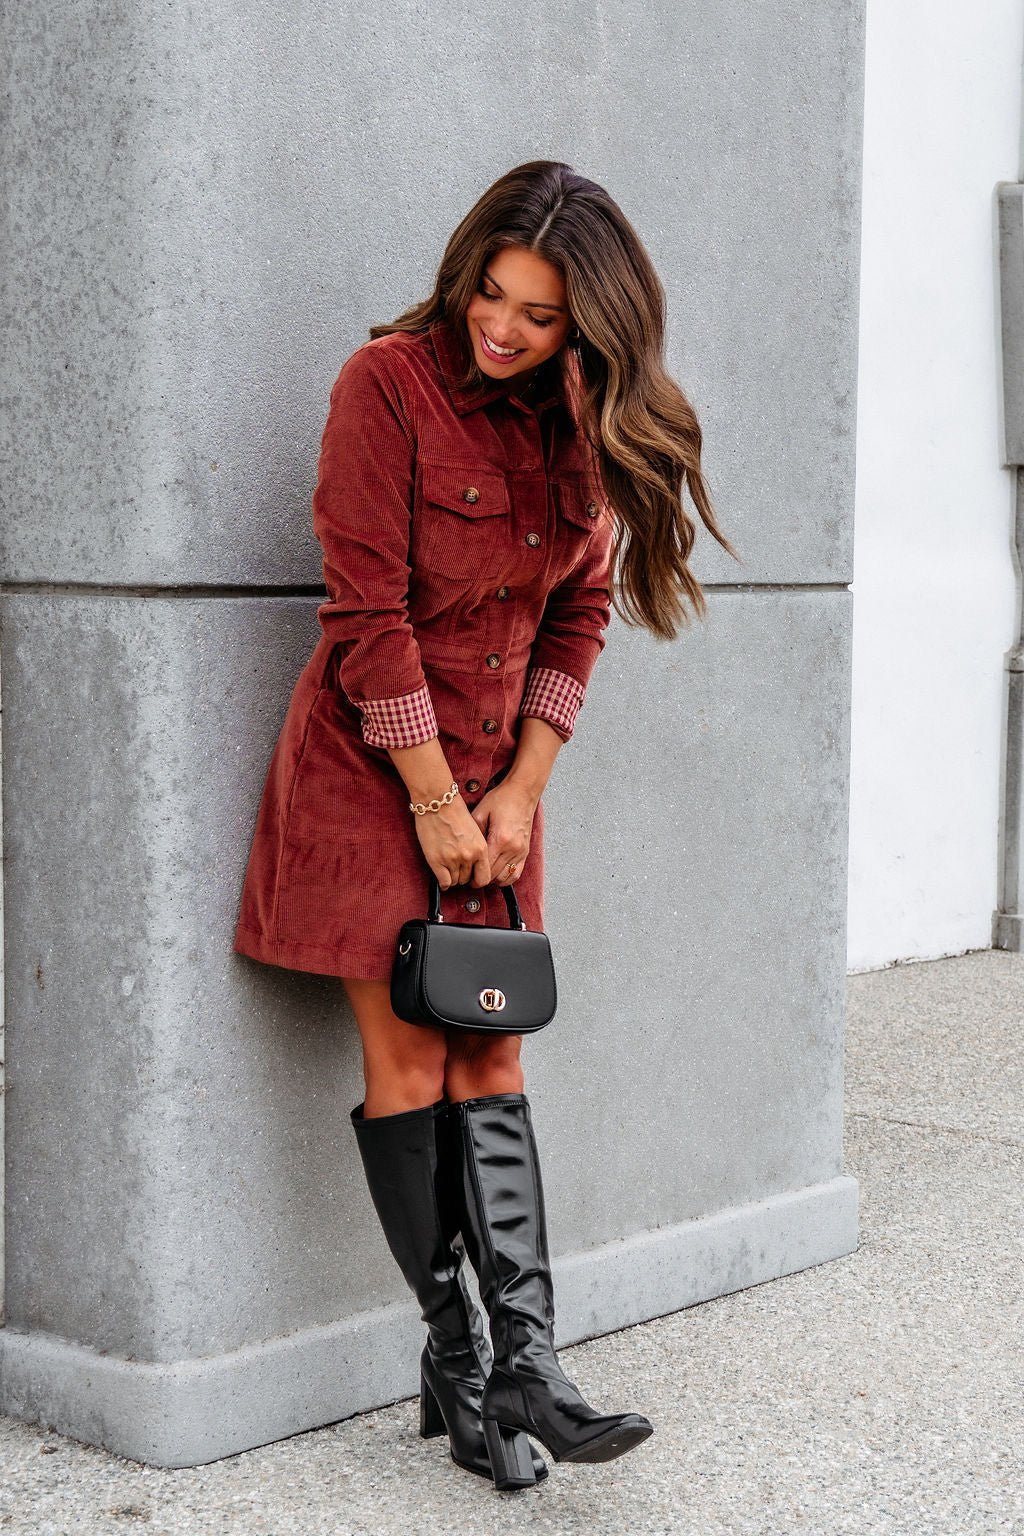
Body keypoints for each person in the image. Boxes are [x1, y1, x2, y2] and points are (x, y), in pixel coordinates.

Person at [233, 159, 737, 1491]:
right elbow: (365, 616)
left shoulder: (585, 421)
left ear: (591, 327)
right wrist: (435, 799)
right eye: (492, 294)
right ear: (466, 272)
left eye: (541, 314)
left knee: (495, 1056)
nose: (504, 328)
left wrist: (521, 790)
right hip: (373, 770)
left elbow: (580, 613)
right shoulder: (385, 387)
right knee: (414, 1063)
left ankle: (529, 1364)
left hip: (498, 790)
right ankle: (462, 1363)